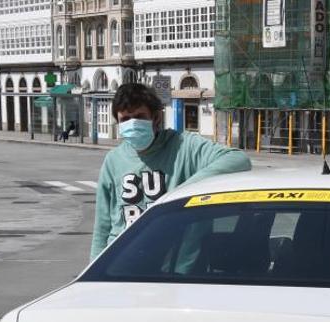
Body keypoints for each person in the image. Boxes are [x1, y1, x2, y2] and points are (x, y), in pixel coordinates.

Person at [90, 83, 252, 260]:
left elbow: (237, 159)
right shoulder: (113, 160)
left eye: (139, 117)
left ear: (156, 117)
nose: (132, 124)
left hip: (174, 267)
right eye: (125, 119)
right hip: (122, 262)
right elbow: (102, 226)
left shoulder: (184, 146)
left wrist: (185, 189)